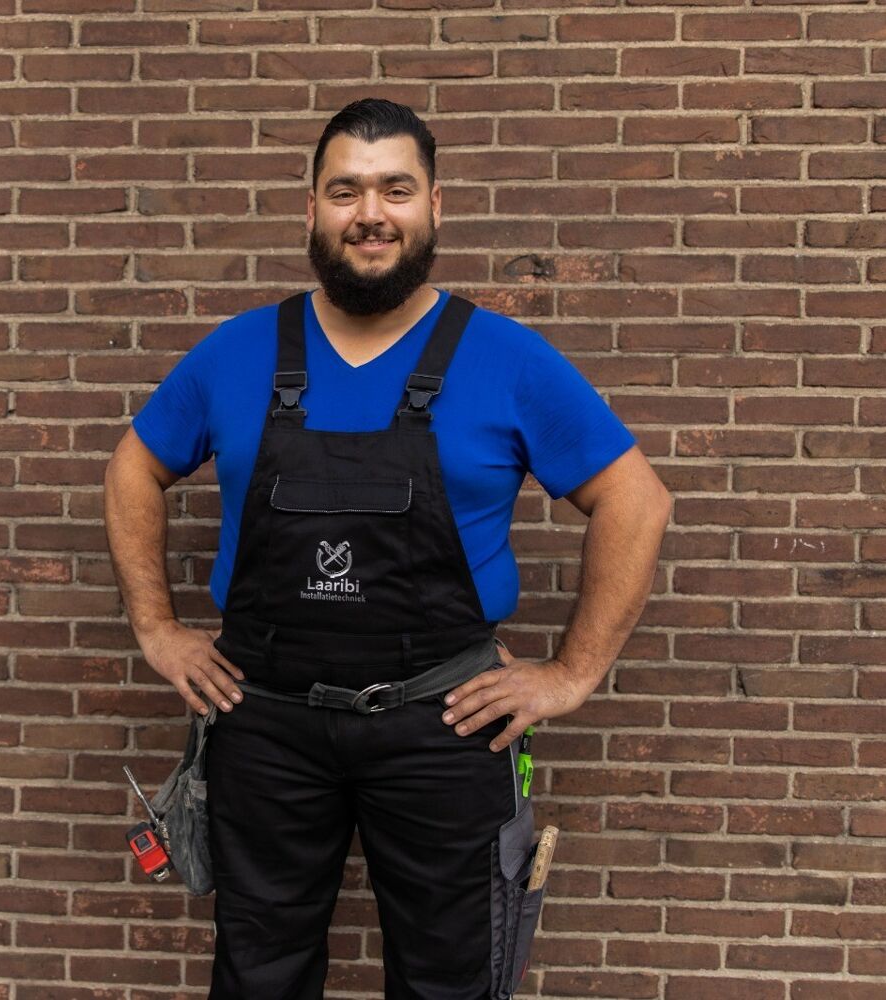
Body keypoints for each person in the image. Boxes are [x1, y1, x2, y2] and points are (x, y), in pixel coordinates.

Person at [102, 98, 672, 1000]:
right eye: (346, 190)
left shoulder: (508, 359)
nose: (371, 213)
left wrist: (571, 673)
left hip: (445, 726)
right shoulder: (237, 352)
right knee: (258, 973)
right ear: (313, 211)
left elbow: (635, 500)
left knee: (450, 979)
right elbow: (134, 467)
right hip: (267, 725)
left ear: (435, 207)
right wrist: (157, 627)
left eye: (395, 189)